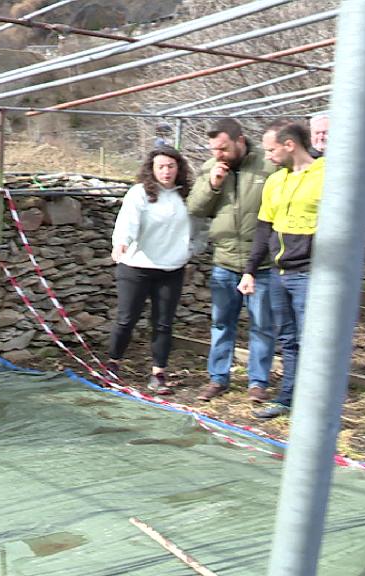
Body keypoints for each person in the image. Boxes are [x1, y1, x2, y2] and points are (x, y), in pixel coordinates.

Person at [238, 121, 325, 419]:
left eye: (271, 150)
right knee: (287, 339)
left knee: (311, 338)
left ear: (290, 145)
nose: (268, 156)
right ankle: (287, 398)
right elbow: (264, 229)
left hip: (311, 273)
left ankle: (315, 404)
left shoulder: (326, 175)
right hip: (279, 273)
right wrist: (250, 269)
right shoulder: (275, 181)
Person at [188, 118, 277, 404]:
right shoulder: (209, 168)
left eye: (224, 148)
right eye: (214, 149)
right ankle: (218, 378)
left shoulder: (269, 164)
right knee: (221, 322)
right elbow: (195, 208)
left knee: (262, 324)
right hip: (224, 261)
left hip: (262, 263)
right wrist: (213, 185)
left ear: (240, 141)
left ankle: (258, 383)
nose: (219, 154)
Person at [107, 147, 201, 394]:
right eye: (161, 166)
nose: (166, 171)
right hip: (136, 266)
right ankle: (113, 363)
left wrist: (190, 250)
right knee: (126, 319)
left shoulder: (187, 196)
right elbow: (128, 221)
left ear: (178, 168)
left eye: (171, 166)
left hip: (171, 268)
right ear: (152, 169)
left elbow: (200, 226)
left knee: (163, 323)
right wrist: (122, 242)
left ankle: (159, 374)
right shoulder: (139, 193)